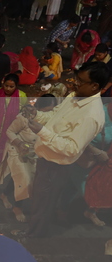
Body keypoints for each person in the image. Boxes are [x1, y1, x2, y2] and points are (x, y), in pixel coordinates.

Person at [24, 62, 109, 238]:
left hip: (56, 167)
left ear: (94, 86)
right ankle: (33, 231)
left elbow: (71, 148)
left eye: (80, 81)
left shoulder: (91, 116)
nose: (74, 83)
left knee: (43, 204)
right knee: (40, 201)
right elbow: (55, 115)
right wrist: (37, 115)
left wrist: (41, 131)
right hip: (46, 159)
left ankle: (33, 239)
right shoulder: (75, 96)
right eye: (76, 79)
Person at [0, 95, 57, 222]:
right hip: (16, 149)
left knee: (23, 178)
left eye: (51, 111)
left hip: (34, 152)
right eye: (46, 110)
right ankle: (18, 208)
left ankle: (4, 194)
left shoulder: (51, 120)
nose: (48, 114)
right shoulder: (24, 117)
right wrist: (19, 144)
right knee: (25, 179)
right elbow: (9, 131)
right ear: (38, 108)